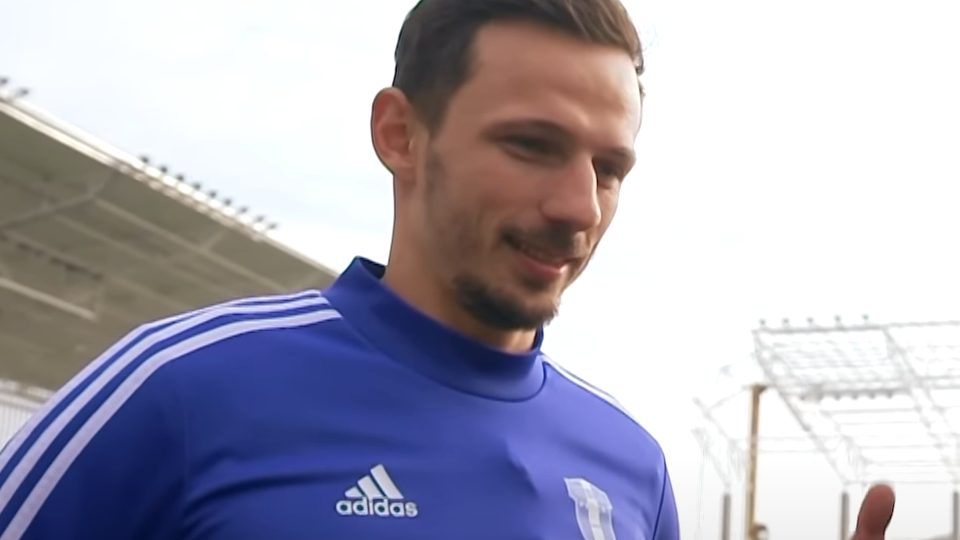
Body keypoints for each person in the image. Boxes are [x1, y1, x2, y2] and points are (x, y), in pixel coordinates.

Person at [0, 0, 896, 538]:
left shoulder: (631, 466)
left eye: (609, 168)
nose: (580, 207)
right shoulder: (177, 389)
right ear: (400, 135)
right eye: (531, 145)